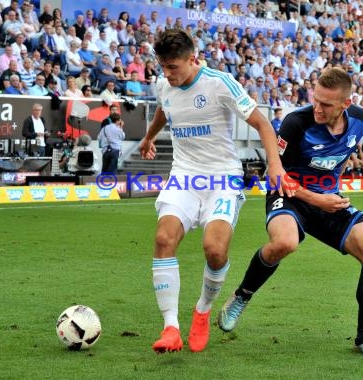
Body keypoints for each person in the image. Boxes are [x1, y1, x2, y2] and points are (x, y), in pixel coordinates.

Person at [218, 67, 363, 359]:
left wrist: (330, 194)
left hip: (327, 199)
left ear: (345, 105)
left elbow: (339, 156)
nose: (318, 108)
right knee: (284, 243)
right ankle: (241, 296)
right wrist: (317, 198)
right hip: (289, 195)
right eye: (316, 100)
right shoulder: (295, 123)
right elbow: (276, 176)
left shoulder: (359, 120)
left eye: (326, 104)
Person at [138, 29, 289, 354]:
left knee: (215, 250)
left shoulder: (219, 83)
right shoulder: (164, 84)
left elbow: (263, 124)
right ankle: (170, 328)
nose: (168, 74)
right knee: (164, 240)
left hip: (221, 178)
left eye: (174, 67)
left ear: (192, 59)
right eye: (163, 67)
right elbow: (165, 108)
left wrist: (274, 166)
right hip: (184, 176)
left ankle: (203, 311)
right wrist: (149, 137)